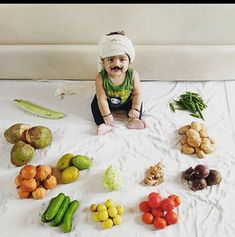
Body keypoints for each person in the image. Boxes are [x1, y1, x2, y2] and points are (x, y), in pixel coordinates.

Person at [91, 31, 147, 135]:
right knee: (95, 104)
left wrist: (135, 108)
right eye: (110, 59)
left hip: (127, 101)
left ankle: (133, 120)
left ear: (129, 61)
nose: (116, 63)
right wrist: (106, 114)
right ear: (103, 62)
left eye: (122, 59)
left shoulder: (133, 75)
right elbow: (102, 98)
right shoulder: (100, 78)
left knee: (138, 102)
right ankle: (102, 124)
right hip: (107, 103)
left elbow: (137, 93)